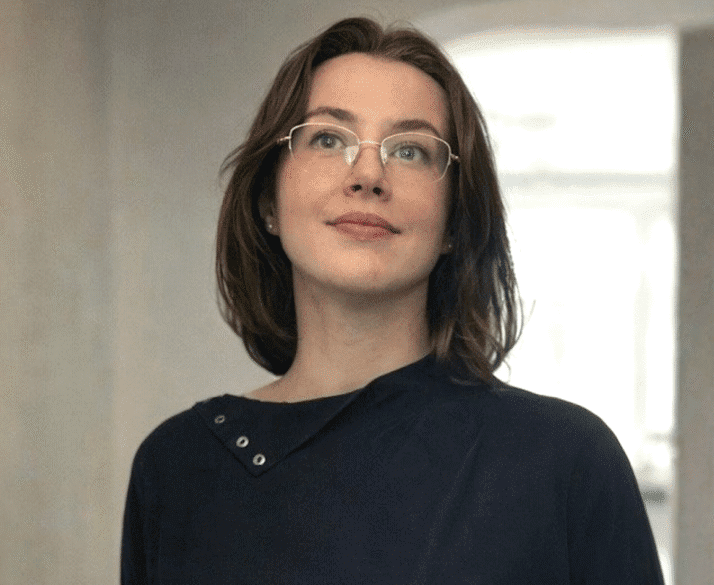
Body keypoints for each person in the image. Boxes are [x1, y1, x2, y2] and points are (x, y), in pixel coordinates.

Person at [120, 16, 666, 584]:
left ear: (454, 220)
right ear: (268, 202)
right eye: (328, 139)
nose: (368, 173)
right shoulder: (178, 466)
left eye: (411, 151)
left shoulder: (564, 461)